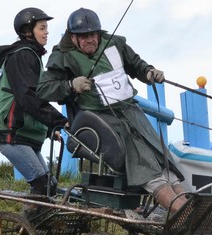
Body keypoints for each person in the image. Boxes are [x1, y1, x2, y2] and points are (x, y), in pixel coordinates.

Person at [36, 8, 188, 216]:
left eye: (93, 35)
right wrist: (71, 85)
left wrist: (149, 72)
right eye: (84, 36)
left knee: (160, 155)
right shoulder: (62, 56)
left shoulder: (114, 44)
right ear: (73, 37)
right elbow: (44, 89)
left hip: (130, 112)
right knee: (144, 162)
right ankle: (179, 211)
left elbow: (136, 65)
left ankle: (186, 208)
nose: (90, 40)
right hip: (100, 118)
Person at [0, 8, 69, 204]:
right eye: (42, 28)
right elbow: (28, 98)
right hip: (10, 132)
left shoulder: (31, 55)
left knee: (50, 185)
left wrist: (49, 128)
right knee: (41, 184)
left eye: (46, 28)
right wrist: (60, 121)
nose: (46, 32)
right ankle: (28, 232)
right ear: (27, 31)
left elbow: (32, 98)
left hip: (22, 133)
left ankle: (36, 231)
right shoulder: (23, 56)